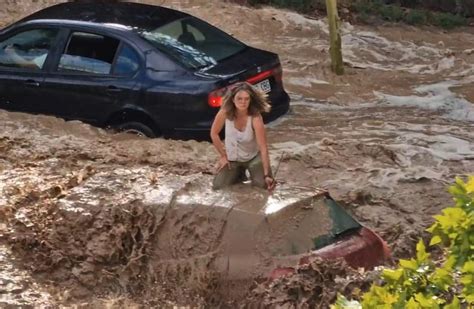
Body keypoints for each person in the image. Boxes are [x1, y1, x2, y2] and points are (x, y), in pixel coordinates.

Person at [210, 81, 276, 191]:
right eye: (239, 99)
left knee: (262, 187)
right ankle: (239, 174)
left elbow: (263, 148)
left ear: (251, 100)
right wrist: (223, 156)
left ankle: (258, 174)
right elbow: (214, 133)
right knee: (217, 187)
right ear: (233, 99)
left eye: (246, 99)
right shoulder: (224, 112)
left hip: (253, 157)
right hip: (233, 159)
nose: (243, 102)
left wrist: (266, 174)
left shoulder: (255, 118)